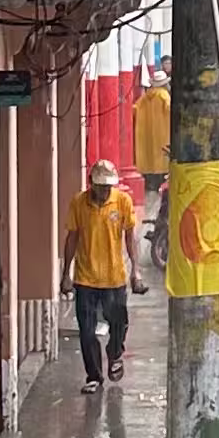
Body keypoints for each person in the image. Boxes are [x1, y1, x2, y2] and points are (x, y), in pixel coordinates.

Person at [59, 157, 137, 388]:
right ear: (91, 183)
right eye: (100, 186)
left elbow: (130, 237)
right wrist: (66, 273)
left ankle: (115, 354)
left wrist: (136, 271)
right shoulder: (78, 204)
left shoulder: (122, 201)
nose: (104, 191)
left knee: (118, 323)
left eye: (107, 187)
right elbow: (72, 238)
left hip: (114, 277)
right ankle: (94, 376)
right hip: (86, 279)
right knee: (87, 331)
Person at [132, 73, 171, 263]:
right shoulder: (164, 97)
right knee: (160, 166)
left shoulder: (143, 99)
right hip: (162, 141)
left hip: (147, 141)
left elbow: (133, 111)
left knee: (149, 168)